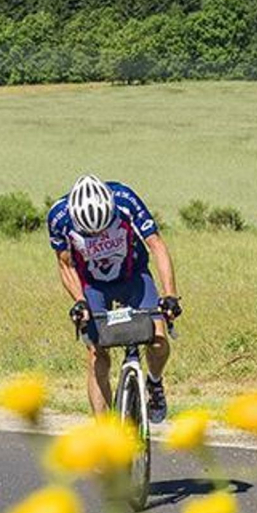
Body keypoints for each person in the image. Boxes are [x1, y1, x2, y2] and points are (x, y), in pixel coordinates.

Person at [48, 175, 181, 421]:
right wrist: (79, 300)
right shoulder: (58, 217)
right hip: (93, 285)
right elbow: (65, 265)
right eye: (91, 233)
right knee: (96, 354)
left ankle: (154, 384)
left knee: (159, 339)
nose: (98, 235)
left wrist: (170, 295)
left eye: (103, 228)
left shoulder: (125, 199)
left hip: (133, 277)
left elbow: (157, 245)